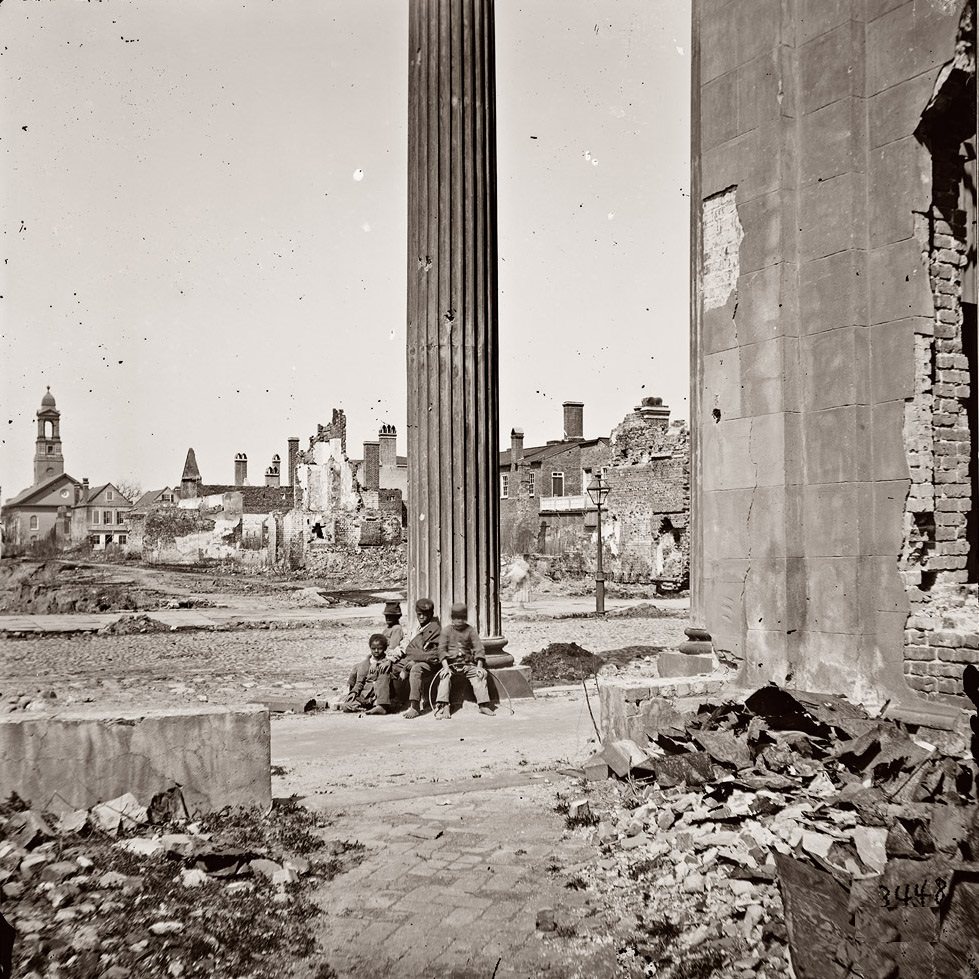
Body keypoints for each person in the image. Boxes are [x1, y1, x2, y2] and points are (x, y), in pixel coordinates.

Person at [434, 603, 494, 719]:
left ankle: (483, 705)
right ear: (452, 618)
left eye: (462, 617)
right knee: (444, 677)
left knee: (479, 676)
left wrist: (479, 666)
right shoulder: (446, 631)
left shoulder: (471, 630)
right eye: (456, 617)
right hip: (451, 665)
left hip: (467, 665)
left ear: (465, 617)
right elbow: (441, 650)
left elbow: (479, 649)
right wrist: (445, 667)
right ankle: (444, 705)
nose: (459, 620)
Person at [390, 598, 441, 719]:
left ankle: (415, 706)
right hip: (416, 659)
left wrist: (415, 657)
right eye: (419, 614)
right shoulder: (417, 628)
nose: (422, 617)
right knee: (394, 668)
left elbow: (434, 655)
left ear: (431, 614)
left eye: (425, 614)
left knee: (416, 669)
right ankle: (397, 699)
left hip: (430, 664)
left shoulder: (435, 629)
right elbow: (409, 648)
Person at [339, 634, 396, 715]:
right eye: (373, 648)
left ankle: (381, 706)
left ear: (384, 648)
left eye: (379, 648)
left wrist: (379, 663)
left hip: (380, 693)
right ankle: (364, 708)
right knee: (346, 706)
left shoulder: (387, 662)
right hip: (366, 695)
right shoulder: (364, 664)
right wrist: (354, 692)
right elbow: (359, 682)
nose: (376, 651)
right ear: (370, 648)